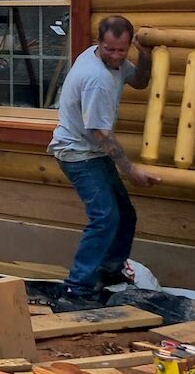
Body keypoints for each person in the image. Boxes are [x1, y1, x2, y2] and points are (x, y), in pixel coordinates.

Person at [48, 15, 161, 306]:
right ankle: (77, 288)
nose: (115, 56)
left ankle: (109, 271)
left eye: (121, 50)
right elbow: (101, 134)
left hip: (93, 152)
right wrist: (131, 170)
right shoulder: (95, 78)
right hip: (77, 154)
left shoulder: (116, 63)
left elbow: (140, 81)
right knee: (105, 218)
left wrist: (145, 54)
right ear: (100, 42)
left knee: (125, 214)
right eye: (110, 49)